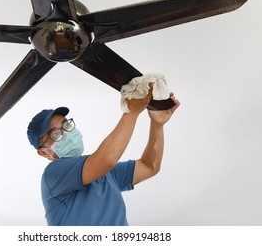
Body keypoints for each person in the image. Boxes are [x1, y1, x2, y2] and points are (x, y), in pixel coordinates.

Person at [27, 88, 180, 225]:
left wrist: (157, 124)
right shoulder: (53, 175)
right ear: (44, 152)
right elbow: (107, 159)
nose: (67, 133)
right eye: (55, 134)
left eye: (66, 125)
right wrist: (132, 111)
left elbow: (149, 166)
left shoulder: (105, 173)